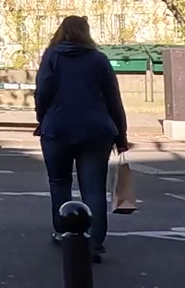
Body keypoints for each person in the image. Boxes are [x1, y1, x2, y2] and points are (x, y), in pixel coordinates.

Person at [35, 15, 131, 263]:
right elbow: (113, 99)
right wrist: (121, 135)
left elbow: (42, 93)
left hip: (57, 129)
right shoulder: (99, 59)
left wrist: (43, 119)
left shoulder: (52, 57)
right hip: (96, 131)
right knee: (94, 188)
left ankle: (63, 232)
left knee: (59, 183)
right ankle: (95, 242)